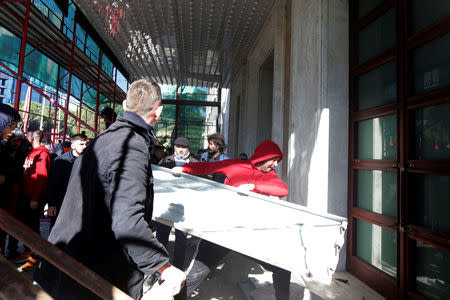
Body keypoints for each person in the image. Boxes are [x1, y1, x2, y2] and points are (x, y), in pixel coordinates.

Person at [34, 78, 186, 300]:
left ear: (125, 106)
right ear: (159, 112)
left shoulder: (102, 140)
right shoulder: (131, 148)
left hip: (70, 261)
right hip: (95, 273)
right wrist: (163, 266)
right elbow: (127, 221)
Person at [172, 140, 291, 300]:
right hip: (221, 230)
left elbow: (282, 189)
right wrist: (184, 168)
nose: (276, 165)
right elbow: (208, 167)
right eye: (274, 160)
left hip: (249, 233)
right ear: (264, 156)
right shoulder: (235, 165)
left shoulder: (269, 176)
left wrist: (253, 186)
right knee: (194, 275)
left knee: (283, 267)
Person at [156, 137, 198, 269]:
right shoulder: (164, 161)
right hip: (166, 205)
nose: (180, 149)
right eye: (178, 146)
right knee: (161, 238)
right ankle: (159, 269)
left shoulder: (195, 163)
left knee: (181, 239)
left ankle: (178, 267)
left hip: (185, 207)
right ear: (174, 147)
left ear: (188, 148)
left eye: (183, 147)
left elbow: (200, 186)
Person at [12, 130, 51, 269]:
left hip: (33, 198)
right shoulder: (31, 153)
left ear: (33, 138)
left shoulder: (42, 154)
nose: (25, 137)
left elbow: (41, 178)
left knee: (33, 227)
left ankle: (35, 256)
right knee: (27, 225)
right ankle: (29, 251)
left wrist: (35, 198)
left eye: (28, 135)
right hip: (26, 196)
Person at [46, 133, 88, 228]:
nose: (85, 146)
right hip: (61, 203)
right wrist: (52, 204)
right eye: (81, 144)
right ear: (72, 146)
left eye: (86, 144)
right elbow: (52, 184)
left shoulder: (89, 161)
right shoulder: (60, 161)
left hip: (79, 204)